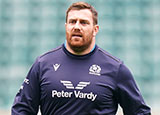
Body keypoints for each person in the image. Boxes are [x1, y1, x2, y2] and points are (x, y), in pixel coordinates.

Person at [12, 2, 151, 115]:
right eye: (72, 22)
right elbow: (22, 110)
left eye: (83, 22)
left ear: (95, 29)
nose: (77, 27)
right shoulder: (43, 64)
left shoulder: (115, 68)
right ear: (66, 27)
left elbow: (139, 112)